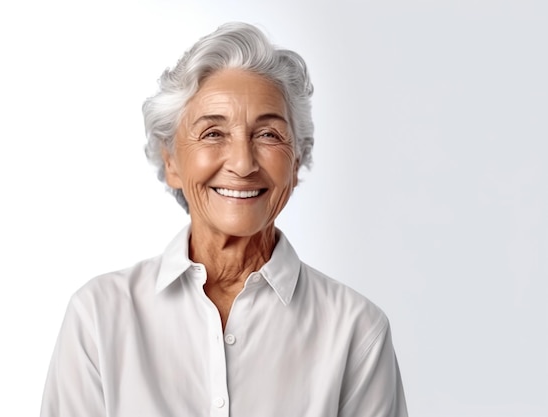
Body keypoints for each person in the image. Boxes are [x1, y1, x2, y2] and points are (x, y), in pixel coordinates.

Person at [40, 22, 408, 417]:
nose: (243, 163)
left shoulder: (356, 330)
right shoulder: (99, 317)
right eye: (213, 133)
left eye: (268, 135)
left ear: (297, 160)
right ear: (171, 162)